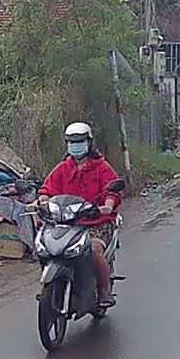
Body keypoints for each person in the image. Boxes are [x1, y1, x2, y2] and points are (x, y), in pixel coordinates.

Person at [36, 122, 123, 308]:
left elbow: (112, 191)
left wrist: (107, 206)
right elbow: (47, 189)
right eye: (71, 142)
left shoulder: (102, 168)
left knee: (93, 250)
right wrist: (43, 201)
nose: (75, 146)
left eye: (79, 141)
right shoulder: (63, 168)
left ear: (89, 143)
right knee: (46, 246)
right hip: (67, 223)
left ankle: (104, 291)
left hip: (96, 222)